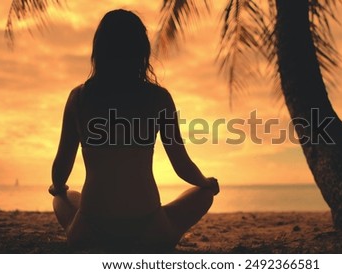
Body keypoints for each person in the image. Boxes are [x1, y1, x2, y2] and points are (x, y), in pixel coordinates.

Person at [48, 9, 219, 250]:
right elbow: (182, 165)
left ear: (99, 51)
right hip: (148, 232)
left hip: (90, 233)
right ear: (142, 52)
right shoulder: (158, 98)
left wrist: (58, 186)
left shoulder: (79, 98)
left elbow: (60, 170)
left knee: (61, 197)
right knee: (204, 195)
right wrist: (206, 182)